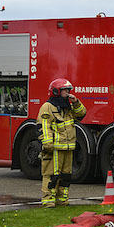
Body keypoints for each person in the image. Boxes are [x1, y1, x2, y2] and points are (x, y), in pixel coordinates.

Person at [38, 79, 86, 208]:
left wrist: (76, 102)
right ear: (56, 91)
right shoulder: (47, 107)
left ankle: (62, 200)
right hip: (54, 149)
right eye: (65, 90)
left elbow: (81, 114)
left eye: (68, 90)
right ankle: (48, 201)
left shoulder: (68, 107)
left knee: (66, 176)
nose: (68, 93)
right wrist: (48, 144)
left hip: (68, 147)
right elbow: (44, 126)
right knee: (51, 176)